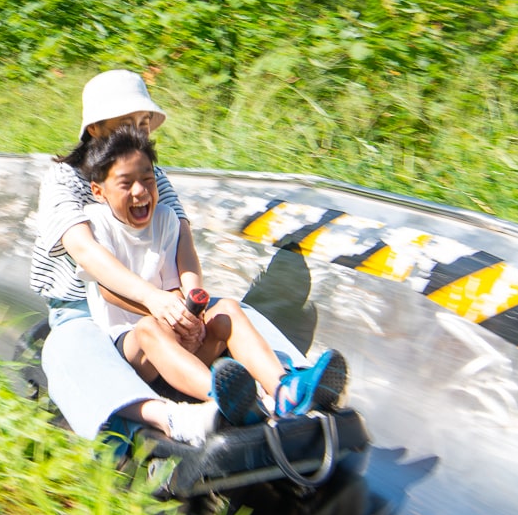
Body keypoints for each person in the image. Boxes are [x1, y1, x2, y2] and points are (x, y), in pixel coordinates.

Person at [31, 70, 344, 448]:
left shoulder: (151, 175)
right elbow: (84, 250)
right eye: (127, 123)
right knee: (70, 348)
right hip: (87, 306)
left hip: (164, 296)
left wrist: (191, 302)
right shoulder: (64, 179)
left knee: (228, 309)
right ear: (96, 128)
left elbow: (181, 238)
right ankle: (162, 417)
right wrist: (153, 300)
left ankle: (289, 383)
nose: (139, 132)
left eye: (143, 124)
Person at [78, 126, 289, 422]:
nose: (140, 191)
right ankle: (230, 398)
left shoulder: (165, 219)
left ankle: (284, 390)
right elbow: (107, 289)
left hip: (177, 347)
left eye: (147, 180)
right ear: (99, 191)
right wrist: (165, 314)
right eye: (126, 184)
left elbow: (174, 286)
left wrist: (189, 319)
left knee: (227, 309)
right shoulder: (95, 224)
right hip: (132, 349)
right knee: (150, 327)